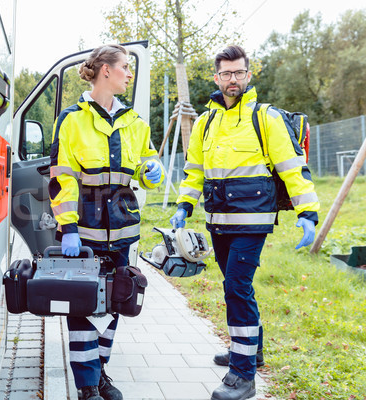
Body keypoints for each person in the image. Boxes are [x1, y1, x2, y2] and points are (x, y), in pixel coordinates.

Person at [170, 45, 319, 400]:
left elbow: (291, 167)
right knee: (235, 285)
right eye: (226, 73)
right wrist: (183, 204)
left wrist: (307, 213)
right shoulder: (205, 122)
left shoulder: (265, 118)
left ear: (249, 75)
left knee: (236, 286)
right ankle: (252, 349)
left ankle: (243, 375)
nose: (232, 79)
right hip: (217, 220)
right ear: (217, 76)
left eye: (239, 72)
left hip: (253, 222)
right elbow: (194, 171)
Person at [49, 44, 164, 400]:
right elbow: (61, 179)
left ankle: (100, 375)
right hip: (84, 233)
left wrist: (152, 171)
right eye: (125, 67)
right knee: (83, 305)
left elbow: (146, 169)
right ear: (105, 71)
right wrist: (68, 229)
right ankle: (86, 386)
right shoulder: (72, 119)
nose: (129, 74)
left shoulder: (135, 122)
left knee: (114, 304)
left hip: (123, 231)